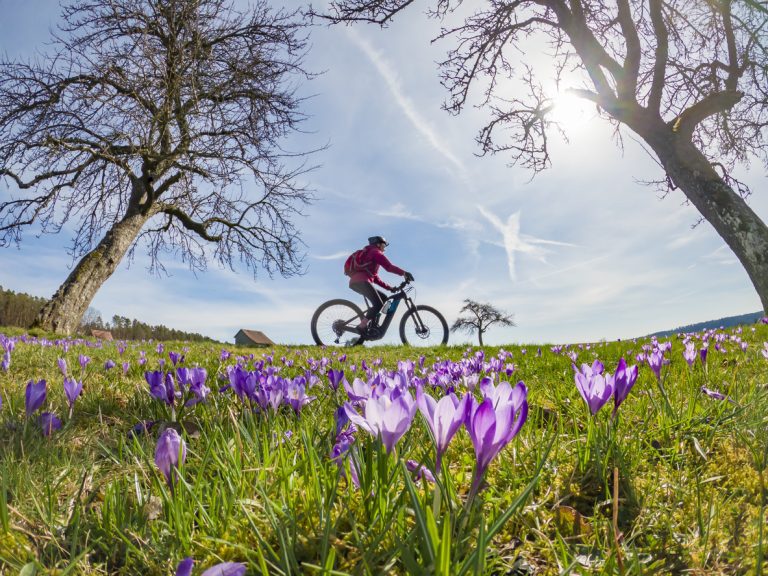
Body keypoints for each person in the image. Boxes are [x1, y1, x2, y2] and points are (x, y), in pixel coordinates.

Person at [347, 236, 414, 329]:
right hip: (362, 281)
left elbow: (375, 278)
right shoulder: (375, 252)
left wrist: (390, 288)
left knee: (383, 298)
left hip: (357, 282)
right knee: (378, 304)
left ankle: (373, 323)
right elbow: (389, 267)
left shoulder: (369, 253)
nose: (385, 247)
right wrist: (404, 273)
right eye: (384, 245)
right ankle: (361, 327)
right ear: (378, 244)